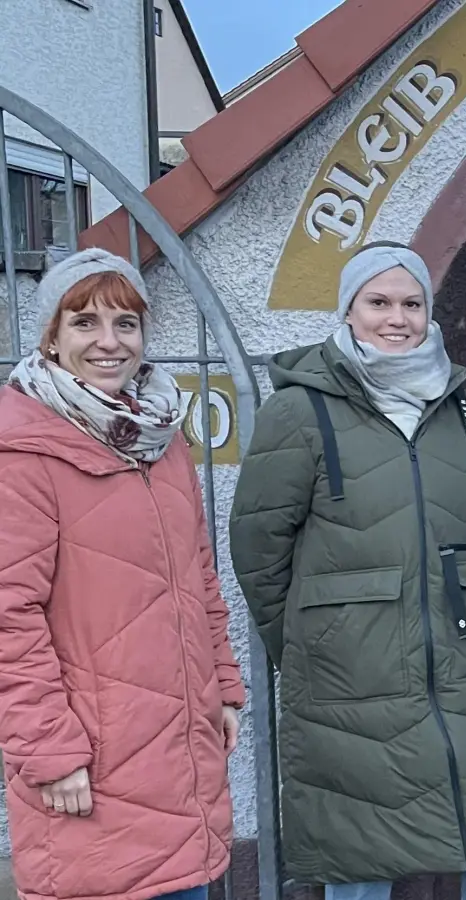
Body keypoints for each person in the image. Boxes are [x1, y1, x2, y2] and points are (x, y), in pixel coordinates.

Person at [229, 242, 466, 900]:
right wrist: (311, 647)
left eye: (411, 303)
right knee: (362, 860)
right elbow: (259, 547)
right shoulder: (300, 410)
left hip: (465, 668)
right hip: (351, 675)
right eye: (378, 302)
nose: (395, 317)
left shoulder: (464, 408)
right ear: (348, 309)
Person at [0, 249, 244, 900]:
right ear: (50, 337)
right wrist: (49, 751)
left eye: (126, 324)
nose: (108, 342)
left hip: (176, 757)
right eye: (84, 323)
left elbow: (197, 575)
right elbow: (7, 620)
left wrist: (222, 684)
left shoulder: (158, 440)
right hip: (90, 766)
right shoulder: (22, 451)